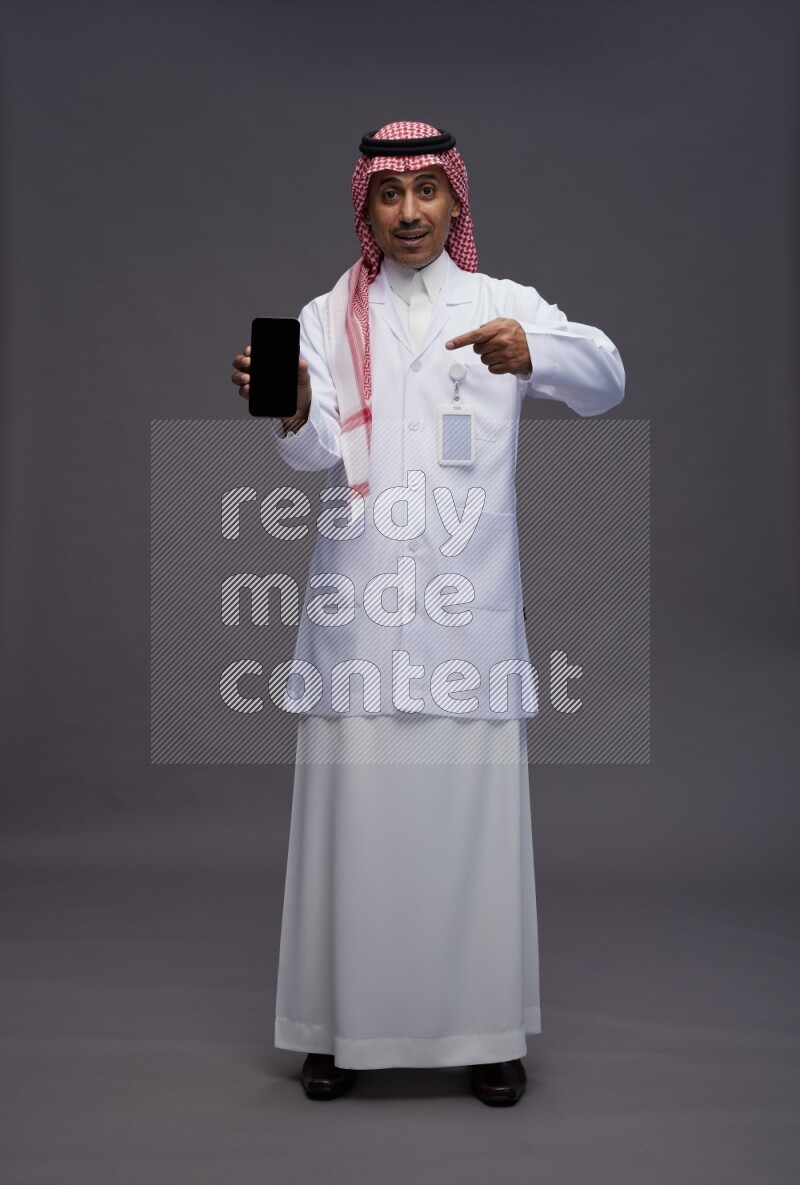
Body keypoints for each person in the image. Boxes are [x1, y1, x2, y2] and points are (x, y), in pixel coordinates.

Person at [230, 120, 625, 1105]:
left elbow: (607, 380)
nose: (408, 212)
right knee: (350, 830)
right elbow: (313, 448)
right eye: (387, 195)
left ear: (455, 201)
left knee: (470, 833)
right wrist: (283, 410)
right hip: (359, 609)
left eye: (425, 192)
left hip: (466, 619)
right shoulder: (330, 313)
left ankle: (486, 1034)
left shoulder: (499, 302)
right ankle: (333, 1029)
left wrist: (532, 352)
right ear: (364, 207)